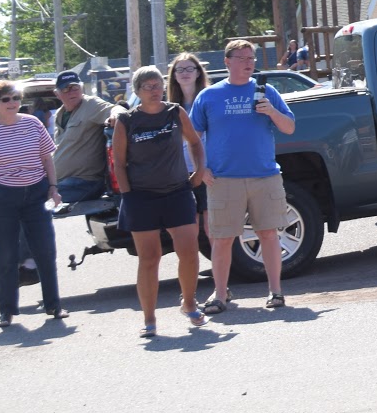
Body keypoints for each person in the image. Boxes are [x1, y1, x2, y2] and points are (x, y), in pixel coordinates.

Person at [190, 40, 297, 313]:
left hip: (264, 176)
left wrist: (271, 111)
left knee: (269, 234)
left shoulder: (267, 92)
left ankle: (276, 292)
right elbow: (192, 138)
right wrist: (200, 169)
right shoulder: (209, 96)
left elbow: (289, 127)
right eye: (242, 58)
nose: (249, 62)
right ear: (227, 62)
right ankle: (220, 294)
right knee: (223, 238)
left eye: (251, 58)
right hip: (224, 179)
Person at [113, 66, 208, 338]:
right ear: (137, 91)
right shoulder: (127, 121)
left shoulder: (175, 112)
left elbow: (195, 142)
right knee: (149, 258)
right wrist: (129, 195)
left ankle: (189, 303)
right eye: (149, 87)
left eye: (158, 85)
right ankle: (150, 318)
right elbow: (119, 163)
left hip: (178, 191)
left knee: (189, 251)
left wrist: (199, 170)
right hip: (141, 197)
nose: (156, 91)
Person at [0, 81, 68, 328]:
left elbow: (47, 158)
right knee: (7, 256)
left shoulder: (33, 124)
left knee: (45, 252)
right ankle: (6, 311)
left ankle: (53, 305)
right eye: (5, 100)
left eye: (15, 98)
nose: (12, 103)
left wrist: (53, 188)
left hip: (35, 195)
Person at [49, 70, 121, 203]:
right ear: (57, 94)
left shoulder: (91, 104)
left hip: (85, 182)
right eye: (66, 89)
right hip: (62, 182)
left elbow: (116, 109)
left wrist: (116, 114)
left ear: (81, 88)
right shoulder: (60, 114)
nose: (72, 91)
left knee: (38, 204)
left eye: (75, 87)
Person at [165, 53, 210, 232]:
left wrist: (204, 169)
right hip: (182, 173)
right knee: (187, 228)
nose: (185, 73)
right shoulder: (168, 107)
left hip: (209, 170)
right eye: (180, 69)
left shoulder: (209, 99)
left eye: (190, 68)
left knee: (211, 227)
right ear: (174, 75)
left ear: (198, 73)